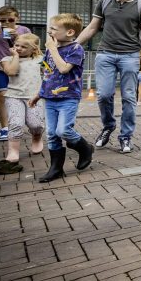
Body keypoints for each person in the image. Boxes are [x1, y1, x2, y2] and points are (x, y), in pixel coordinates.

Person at [76, 0, 141, 154]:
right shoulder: (104, 3)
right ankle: (108, 125)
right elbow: (92, 27)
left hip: (130, 56)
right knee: (104, 95)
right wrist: (73, 45)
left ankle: (126, 135)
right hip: (105, 54)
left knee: (129, 97)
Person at [32, 13, 92, 182]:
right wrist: (39, 94)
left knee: (63, 130)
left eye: (53, 28)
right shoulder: (50, 50)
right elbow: (47, 73)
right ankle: (56, 169)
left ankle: (85, 148)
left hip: (68, 97)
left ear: (70, 32)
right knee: (52, 134)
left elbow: (64, 69)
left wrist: (52, 49)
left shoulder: (76, 49)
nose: (49, 31)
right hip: (50, 98)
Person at [0, 33, 45, 162]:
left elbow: (49, 74)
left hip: (34, 97)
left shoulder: (41, 59)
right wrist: (15, 56)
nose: (18, 48)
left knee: (36, 124)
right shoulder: (7, 59)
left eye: (23, 47)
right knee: (15, 123)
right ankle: (13, 151)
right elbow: (11, 72)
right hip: (14, 96)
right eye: (16, 45)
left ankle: (37, 136)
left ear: (34, 49)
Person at [0, 5, 31, 142]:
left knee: (21, 97)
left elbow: (31, 48)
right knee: (2, 96)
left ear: (17, 18)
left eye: (10, 20)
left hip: (19, 67)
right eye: (3, 20)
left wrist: (18, 37)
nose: (6, 23)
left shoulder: (24, 30)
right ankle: (5, 128)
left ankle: (23, 123)